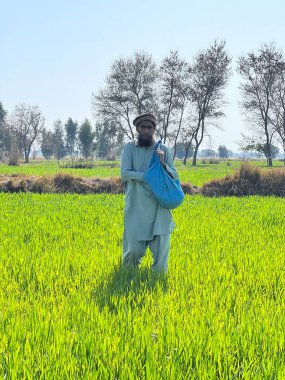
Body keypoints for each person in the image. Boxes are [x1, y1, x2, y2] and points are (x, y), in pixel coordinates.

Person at [120, 113, 178, 273]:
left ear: (154, 130)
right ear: (137, 129)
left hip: (159, 207)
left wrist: (162, 163)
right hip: (136, 206)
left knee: (161, 254)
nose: (146, 130)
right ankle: (126, 279)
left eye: (149, 127)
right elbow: (125, 173)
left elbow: (174, 176)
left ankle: (157, 285)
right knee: (133, 251)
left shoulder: (163, 150)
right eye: (143, 127)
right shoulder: (129, 148)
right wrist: (149, 177)